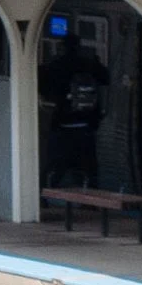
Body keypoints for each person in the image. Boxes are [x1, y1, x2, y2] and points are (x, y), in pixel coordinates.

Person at [40, 40, 110, 189]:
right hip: (85, 127)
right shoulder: (87, 64)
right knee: (89, 168)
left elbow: (41, 82)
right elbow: (106, 78)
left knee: (54, 166)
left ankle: (42, 197)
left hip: (62, 126)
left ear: (62, 48)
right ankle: (90, 202)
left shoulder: (56, 65)